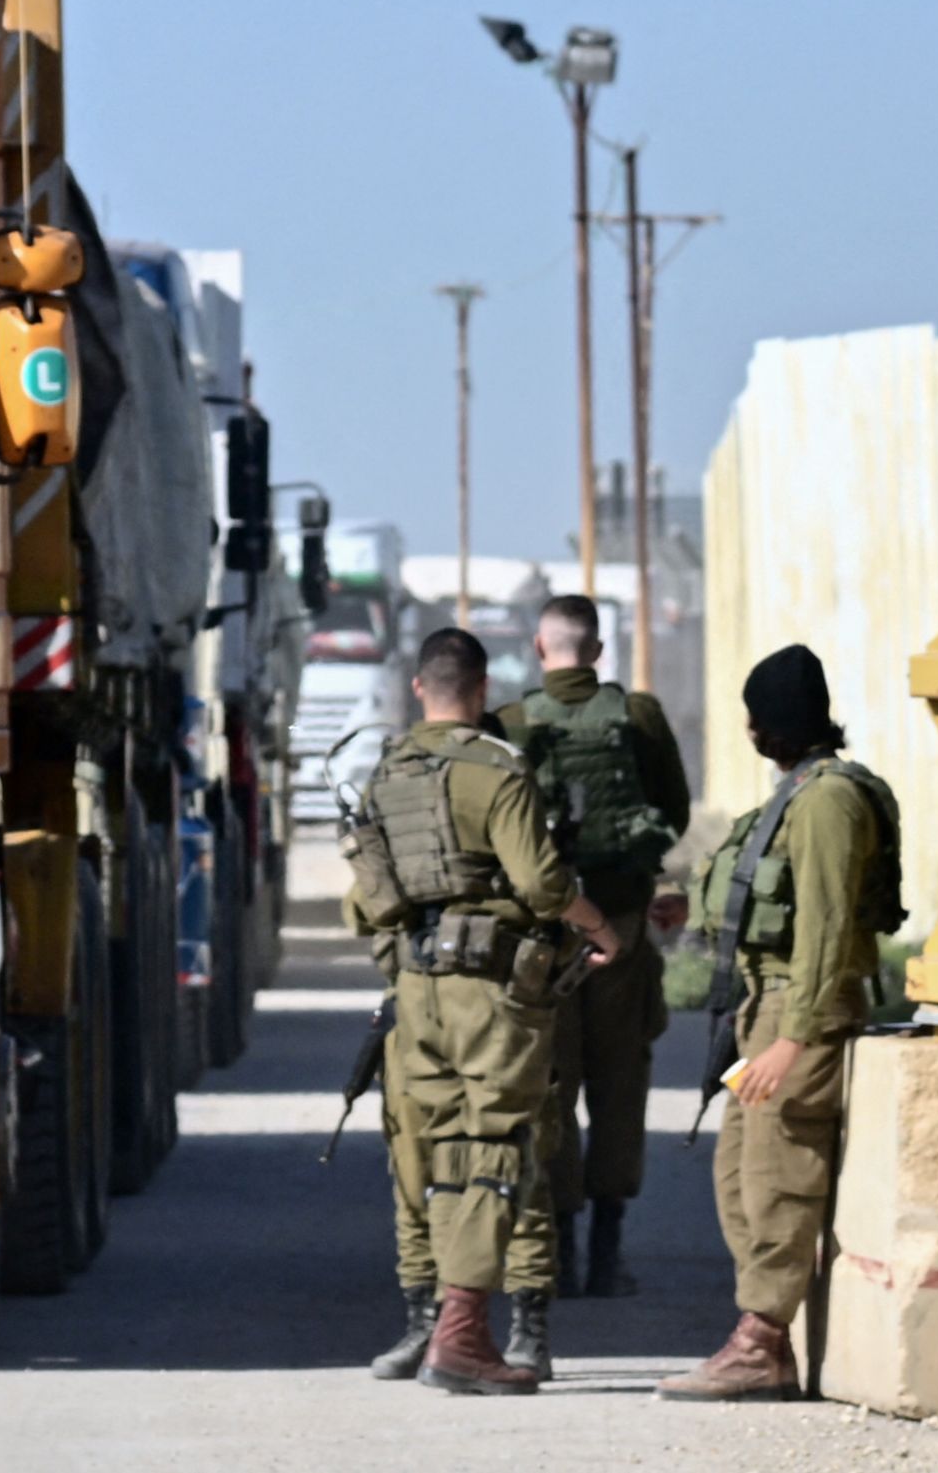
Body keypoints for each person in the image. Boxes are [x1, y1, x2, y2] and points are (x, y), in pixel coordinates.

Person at [345, 628, 618, 1395]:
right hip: (495, 988)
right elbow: (541, 883)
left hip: (415, 990)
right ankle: (469, 1331)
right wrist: (601, 929)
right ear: (482, 687)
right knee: (503, 1144)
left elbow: (361, 901)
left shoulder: (386, 775)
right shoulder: (496, 769)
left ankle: (444, 1320)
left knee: (430, 1154)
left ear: (415, 687)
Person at [658, 644, 886, 1403]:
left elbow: (822, 924)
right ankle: (767, 1331)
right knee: (739, 1171)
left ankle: (760, 1341)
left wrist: (796, 1037)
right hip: (763, 1009)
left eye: (755, 718)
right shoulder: (792, 794)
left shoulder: (826, 802)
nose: (750, 730)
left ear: (773, 723)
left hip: (801, 1011)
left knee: (780, 1168)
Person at [496, 595, 691, 1312]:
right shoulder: (638, 717)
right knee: (619, 1086)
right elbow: (670, 810)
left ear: (539, 650)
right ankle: (608, 1255)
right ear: (599, 651)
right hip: (625, 926)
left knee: (551, 1086)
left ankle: (560, 1252)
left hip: (544, 938)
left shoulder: (511, 724)